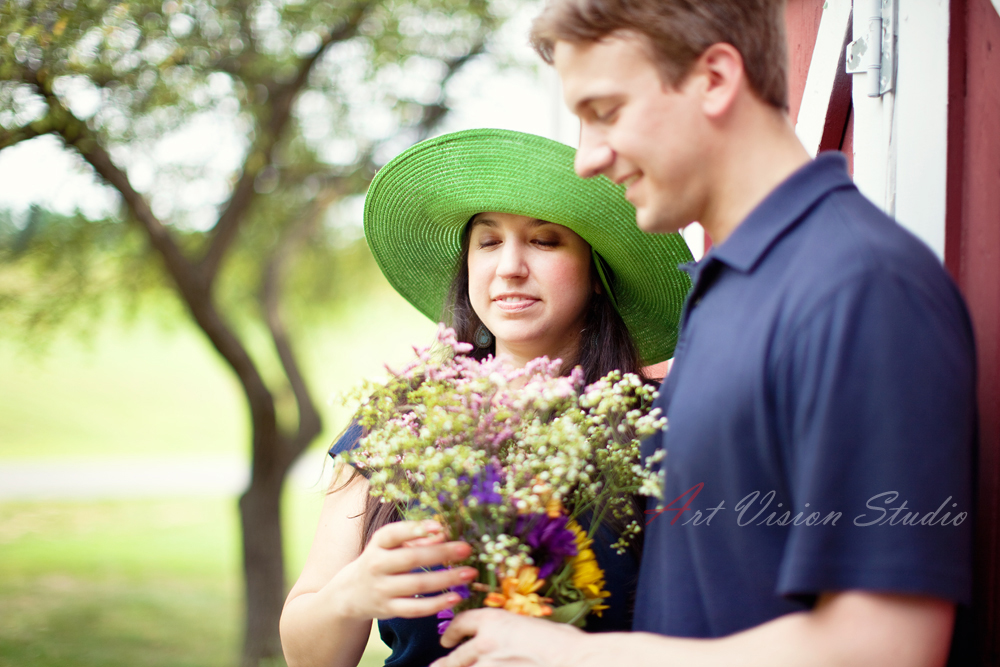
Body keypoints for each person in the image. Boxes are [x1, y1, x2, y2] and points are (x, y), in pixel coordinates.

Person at [431, 2, 977, 667]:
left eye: (604, 112)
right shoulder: (729, 288)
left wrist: (580, 657)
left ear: (714, 78)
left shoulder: (859, 284)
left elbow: (884, 646)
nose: (587, 159)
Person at [278, 128, 694, 667]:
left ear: (597, 274)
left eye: (544, 241)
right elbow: (309, 659)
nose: (510, 267)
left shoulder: (663, 427)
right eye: (489, 242)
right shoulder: (402, 423)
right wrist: (350, 593)